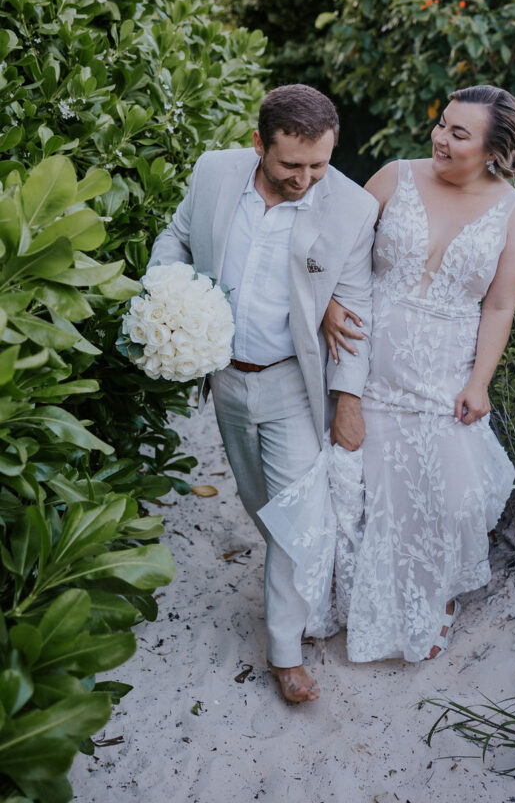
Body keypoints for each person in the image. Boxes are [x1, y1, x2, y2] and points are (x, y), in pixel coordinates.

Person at [149, 84, 377, 701]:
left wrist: (348, 401)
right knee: (261, 504)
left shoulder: (351, 208)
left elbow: (356, 309)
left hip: (293, 383)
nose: (306, 179)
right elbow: (174, 239)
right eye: (290, 165)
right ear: (258, 145)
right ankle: (292, 587)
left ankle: (285, 650)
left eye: (319, 165)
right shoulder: (215, 172)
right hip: (224, 376)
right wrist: (167, 294)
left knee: (296, 515)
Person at [322, 84, 515, 662]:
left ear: (494, 150)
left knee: (453, 497)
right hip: (368, 364)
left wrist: (479, 382)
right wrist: (327, 305)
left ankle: (432, 595)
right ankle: (351, 598)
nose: (440, 138)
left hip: (446, 375)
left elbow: (498, 305)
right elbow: (337, 255)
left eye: (458, 133)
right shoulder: (394, 177)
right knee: (362, 490)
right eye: (442, 124)